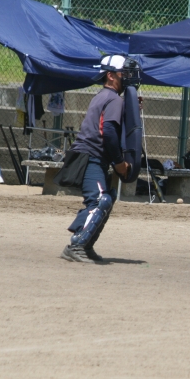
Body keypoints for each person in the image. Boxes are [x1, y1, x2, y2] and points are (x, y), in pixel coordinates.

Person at [60, 54, 140, 263]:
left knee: (106, 198)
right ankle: (76, 245)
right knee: (99, 201)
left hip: (91, 156)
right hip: (91, 156)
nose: (128, 77)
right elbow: (109, 133)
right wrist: (119, 163)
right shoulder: (113, 99)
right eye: (125, 73)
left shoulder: (106, 96)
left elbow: (109, 126)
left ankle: (86, 246)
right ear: (111, 76)